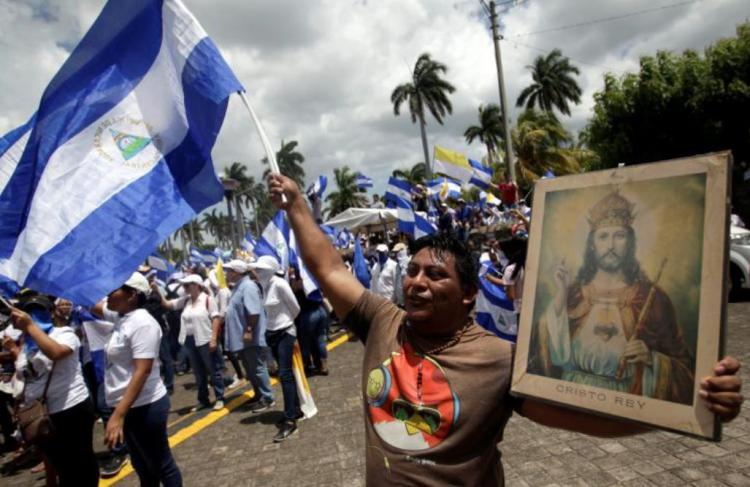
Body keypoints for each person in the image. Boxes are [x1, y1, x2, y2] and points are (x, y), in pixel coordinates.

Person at [267, 173, 744, 486]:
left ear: (470, 294)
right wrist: (297, 208)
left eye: (435, 275)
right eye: (412, 271)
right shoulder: (382, 320)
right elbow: (328, 267)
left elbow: (580, 416)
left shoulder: (500, 360)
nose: (416, 282)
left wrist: (687, 407)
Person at [540, 191, 694, 403]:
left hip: (628, 400)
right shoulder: (573, 293)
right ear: (592, 243)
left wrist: (652, 359)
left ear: (629, 242)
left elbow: (684, 368)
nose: (611, 245)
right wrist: (561, 295)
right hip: (574, 396)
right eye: (603, 236)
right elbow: (548, 353)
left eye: (619, 236)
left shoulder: (651, 297)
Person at [91, 272, 182, 487]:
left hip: (145, 407)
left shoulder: (142, 323)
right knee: (142, 465)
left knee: (161, 465)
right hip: (128, 405)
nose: (108, 294)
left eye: (114, 290)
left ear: (132, 295)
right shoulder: (122, 317)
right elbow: (92, 305)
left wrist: (118, 415)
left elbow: (143, 370)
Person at [7, 295, 99, 486]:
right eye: (30, 312)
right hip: (44, 414)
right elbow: (26, 374)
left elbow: (56, 353)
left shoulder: (65, 333)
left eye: (40, 311)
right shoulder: (27, 342)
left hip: (72, 408)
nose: (35, 316)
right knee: (62, 465)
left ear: (51, 313)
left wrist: (31, 327)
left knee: (81, 463)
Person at [249, 256, 303, 442]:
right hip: (271, 333)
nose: (258, 272)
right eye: (258, 269)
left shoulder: (279, 284)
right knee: (285, 375)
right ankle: (295, 409)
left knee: (285, 374)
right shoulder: (263, 287)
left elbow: (295, 308)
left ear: (271, 270)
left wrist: (288, 325)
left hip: (285, 332)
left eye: (262, 269)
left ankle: (290, 420)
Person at [154, 274, 224, 411]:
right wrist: (156, 289)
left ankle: (220, 397)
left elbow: (216, 318)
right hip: (190, 340)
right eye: (184, 285)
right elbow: (168, 304)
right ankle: (203, 400)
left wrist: (214, 339)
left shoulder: (207, 300)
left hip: (205, 339)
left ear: (197, 285)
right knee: (198, 372)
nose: (185, 287)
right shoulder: (186, 301)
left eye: (188, 285)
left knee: (213, 370)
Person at [221, 259, 275, 412]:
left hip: (250, 337)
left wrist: (249, 330)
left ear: (237, 272)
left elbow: (254, 312)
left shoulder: (248, 287)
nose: (226, 274)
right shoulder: (239, 287)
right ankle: (259, 394)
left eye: (229, 271)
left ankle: (267, 397)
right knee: (250, 368)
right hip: (242, 338)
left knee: (257, 367)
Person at [291, 268, 330, 376]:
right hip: (321, 310)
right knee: (320, 339)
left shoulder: (298, 284)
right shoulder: (312, 279)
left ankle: (307, 364)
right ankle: (323, 364)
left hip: (308, 314)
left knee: (305, 343)